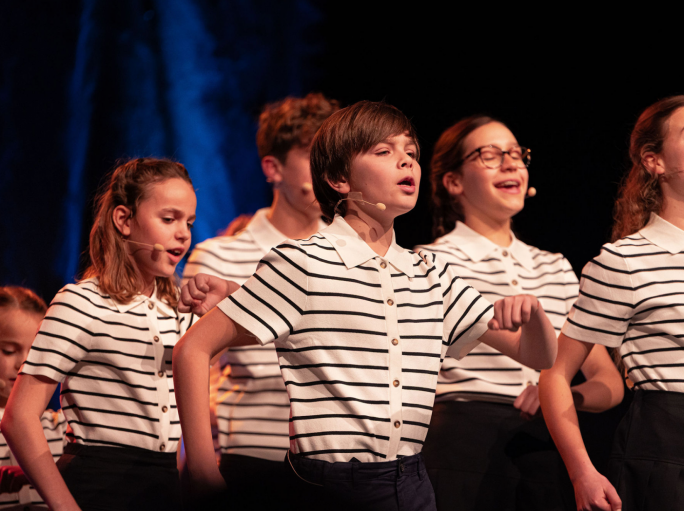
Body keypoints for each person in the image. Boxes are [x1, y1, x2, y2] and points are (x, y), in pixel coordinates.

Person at [173, 101, 559, 511]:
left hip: (412, 481)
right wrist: (201, 467)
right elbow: (192, 348)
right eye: (384, 152)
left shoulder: (430, 274)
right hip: (328, 485)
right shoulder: (302, 262)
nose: (405, 161)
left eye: (410, 152)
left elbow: (537, 355)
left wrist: (534, 316)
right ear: (339, 178)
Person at [538, 95, 684, 511]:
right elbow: (555, 375)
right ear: (654, 162)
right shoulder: (624, 260)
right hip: (664, 459)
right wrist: (583, 473)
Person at [416, 116, 624, 510]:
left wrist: (563, 396)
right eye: (490, 155)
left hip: (545, 445)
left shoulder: (555, 266)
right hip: (462, 440)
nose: (511, 163)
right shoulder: (431, 261)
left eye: (516, 154)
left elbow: (609, 383)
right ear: (454, 181)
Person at [1, 158, 198, 511]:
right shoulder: (82, 303)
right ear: (123, 220)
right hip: (99, 488)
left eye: (189, 221)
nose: (183, 232)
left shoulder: (179, 312)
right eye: (169, 219)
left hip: (164, 489)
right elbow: (19, 417)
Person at [181, 92, 338, 505]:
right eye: (312, 155)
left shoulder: (352, 256)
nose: (327, 170)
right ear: (274, 168)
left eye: (335, 156)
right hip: (252, 457)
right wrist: (201, 463)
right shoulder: (220, 256)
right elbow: (192, 364)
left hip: (339, 465)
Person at [0, 286, 66, 510]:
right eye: (8, 351)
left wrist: (38, 474)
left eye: (38, 352)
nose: (24, 364)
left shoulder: (63, 428)